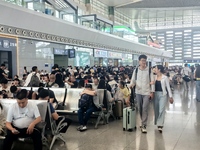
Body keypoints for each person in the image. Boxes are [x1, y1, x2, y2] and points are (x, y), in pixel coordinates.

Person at [130, 54, 155, 133]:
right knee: (140, 108)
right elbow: (133, 80)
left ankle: (144, 125)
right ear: (139, 61)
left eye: (145, 60)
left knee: (144, 108)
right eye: (142, 60)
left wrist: (152, 92)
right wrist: (131, 84)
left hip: (147, 92)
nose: (144, 62)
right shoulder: (136, 70)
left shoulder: (149, 70)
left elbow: (152, 81)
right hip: (138, 92)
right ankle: (142, 120)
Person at [153, 65, 174, 133]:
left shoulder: (165, 78)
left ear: (159, 69)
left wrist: (170, 96)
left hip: (163, 94)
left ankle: (160, 125)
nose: (154, 69)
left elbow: (168, 87)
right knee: (156, 109)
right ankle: (157, 122)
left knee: (161, 109)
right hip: (155, 94)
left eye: (155, 68)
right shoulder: (154, 77)